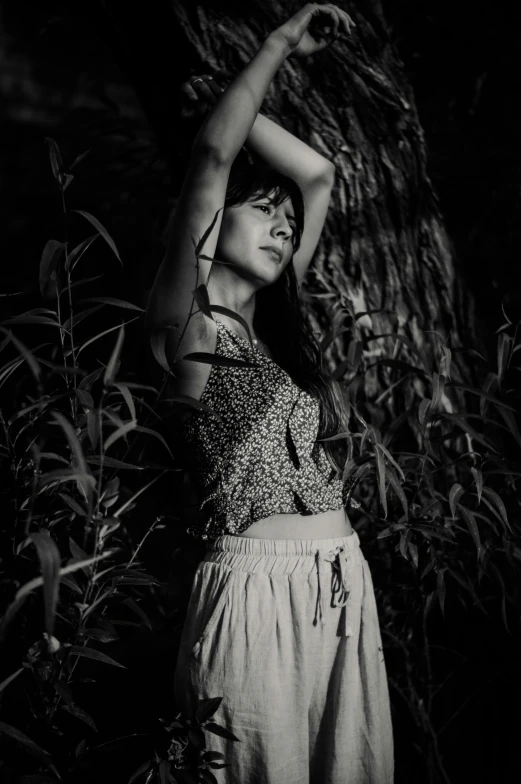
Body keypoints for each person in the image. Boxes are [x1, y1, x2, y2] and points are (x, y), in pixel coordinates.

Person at [145, 3, 394, 781]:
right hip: (252, 595)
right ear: (215, 223)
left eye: (290, 223)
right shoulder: (186, 325)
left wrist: (255, 123)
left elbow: (317, 175)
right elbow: (214, 157)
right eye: (264, 210)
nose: (286, 226)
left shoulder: (269, 331)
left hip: (341, 586)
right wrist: (280, 45)